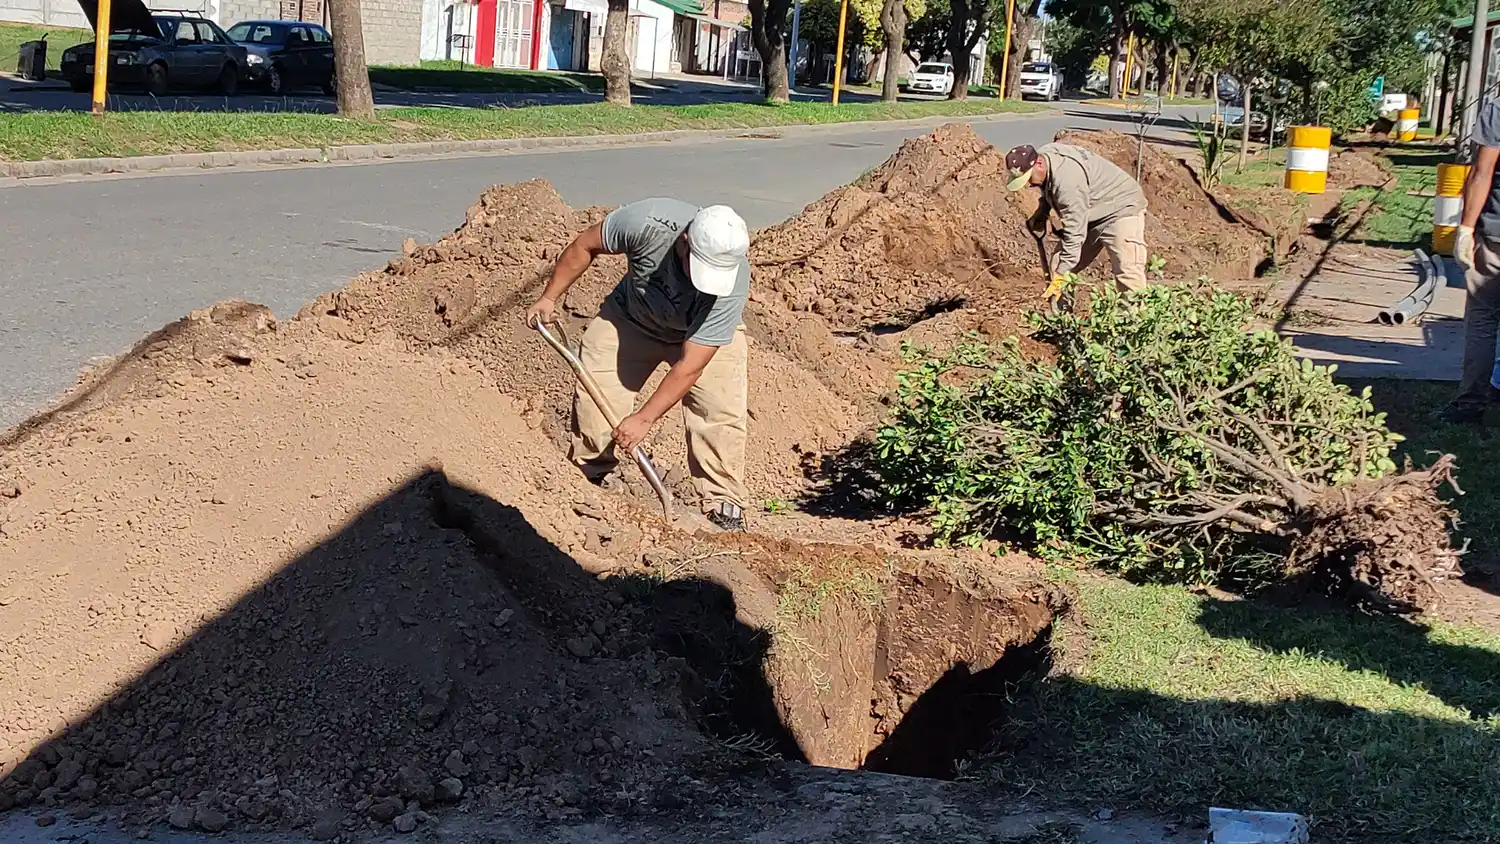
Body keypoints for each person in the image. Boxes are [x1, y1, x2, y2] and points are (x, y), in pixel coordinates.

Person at [525, 199, 751, 530]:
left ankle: (723, 503)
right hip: (630, 319)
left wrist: (644, 419)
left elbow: (690, 365)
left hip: (697, 335)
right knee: (597, 397)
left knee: (718, 410)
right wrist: (548, 297)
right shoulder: (647, 223)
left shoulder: (732, 281)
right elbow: (585, 245)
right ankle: (591, 480)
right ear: (684, 242)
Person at [1004, 142, 1150, 300]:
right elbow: (1049, 187)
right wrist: (1042, 211)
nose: (1029, 184)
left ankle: (1136, 321)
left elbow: (1075, 234)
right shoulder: (1046, 158)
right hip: (1091, 209)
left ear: (1038, 164)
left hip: (1120, 208)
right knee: (1058, 265)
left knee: (1127, 271)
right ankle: (1062, 320)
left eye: (1029, 178)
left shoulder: (1068, 183)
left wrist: (1061, 276)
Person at [1442, 100, 1500, 425]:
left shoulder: (1499, 110)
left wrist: (1465, 228)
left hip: (1496, 232)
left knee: (1483, 316)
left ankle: (1470, 404)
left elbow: (1482, 172)